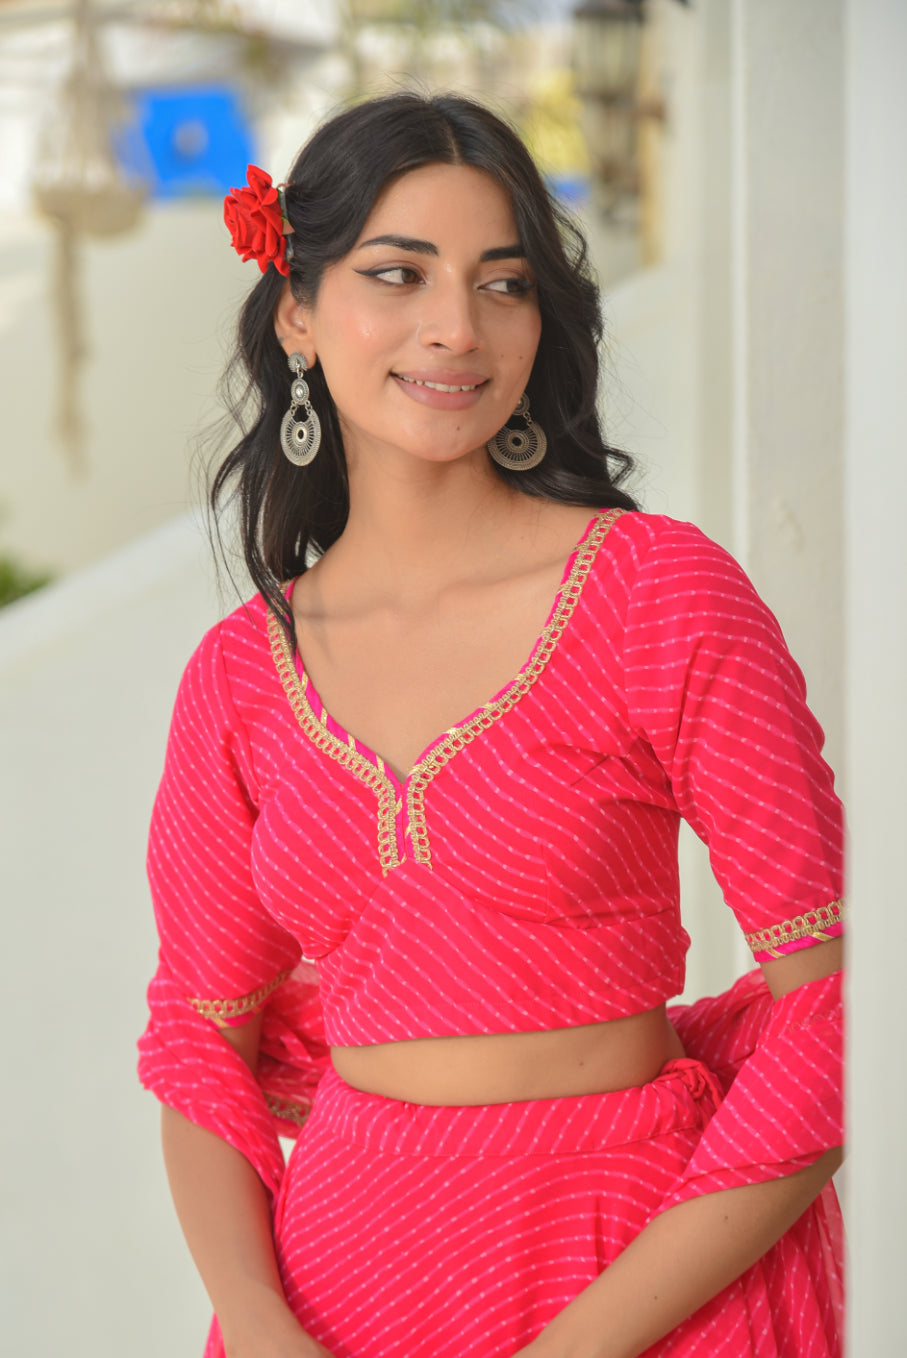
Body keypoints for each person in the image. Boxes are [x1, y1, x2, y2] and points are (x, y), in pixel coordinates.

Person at [138, 93, 844, 1358]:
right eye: (397, 273)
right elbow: (200, 1037)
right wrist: (258, 1324)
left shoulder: (654, 595)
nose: (456, 327)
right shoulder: (241, 674)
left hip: (634, 1271)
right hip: (341, 1285)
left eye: (502, 283)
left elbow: (842, 999)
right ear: (297, 310)